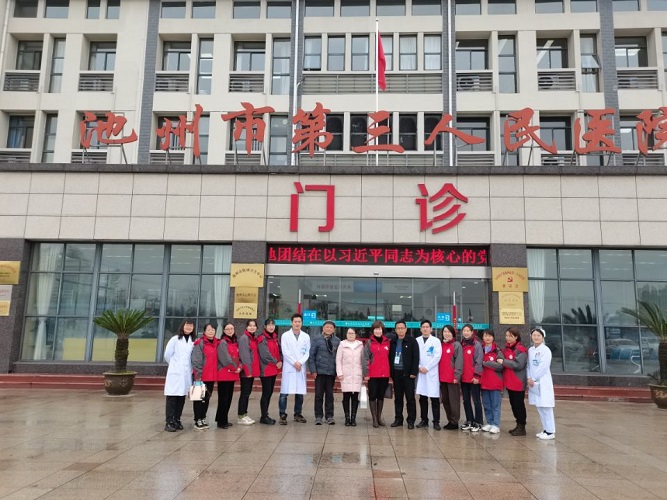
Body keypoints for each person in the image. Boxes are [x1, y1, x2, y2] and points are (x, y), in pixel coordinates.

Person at [164, 319, 195, 432]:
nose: (189, 327)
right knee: (172, 397)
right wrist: (175, 365)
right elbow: (167, 355)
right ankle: (169, 421)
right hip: (175, 372)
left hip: (186, 373)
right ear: (182, 326)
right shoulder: (175, 339)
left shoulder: (192, 341)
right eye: (187, 325)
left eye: (191, 326)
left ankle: (177, 419)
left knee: (181, 397)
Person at [279, 313, 310, 425]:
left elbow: (307, 352)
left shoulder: (306, 336)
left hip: (300, 367)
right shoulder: (285, 336)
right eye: (295, 322)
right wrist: (294, 362)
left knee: (299, 392)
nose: (297, 324)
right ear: (291, 323)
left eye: (299, 322)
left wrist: (300, 362)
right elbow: (285, 351)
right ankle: (282, 414)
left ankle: (298, 413)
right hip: (289, 367)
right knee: (284, 393)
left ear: (302, 323)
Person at [309, 320, 341, 425]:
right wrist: (313, 370)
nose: (329, 329)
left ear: (334, 330)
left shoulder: (337, 341)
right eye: (327, 327)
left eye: (331, 328)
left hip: (331, 372)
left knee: (329, 395)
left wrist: (338, 371)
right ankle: (318, 416)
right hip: (319, 372)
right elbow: (311, 356)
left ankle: (329, 416)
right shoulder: (317, 339)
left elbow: (339, 357)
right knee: (318, 395)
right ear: (323, 328)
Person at [389, 320, 419, 429]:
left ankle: (411, 421)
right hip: (396, 373)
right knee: (398, 398)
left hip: (408, 374)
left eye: (402, 328)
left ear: (406, 329)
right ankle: (398, 419)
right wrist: (391, 373)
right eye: (398, 328)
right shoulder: (393, 341)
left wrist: (414, 372)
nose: (400, 330)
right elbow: (389, 357)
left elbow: (416, 357)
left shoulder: (412, 341)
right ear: (395, 330)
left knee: (410, 398)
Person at [499, 327, 528, 436]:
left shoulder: (521, 349)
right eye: (507, 335)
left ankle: (522, 426)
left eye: (510, 336)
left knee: (519, 404)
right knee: (513, 404)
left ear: (516, 337)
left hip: (518, 382)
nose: (508, 338)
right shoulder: (506, 348)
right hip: (509, 381)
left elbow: (518, 365)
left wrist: (504, 362)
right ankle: (518, 424)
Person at [527, 327, 556, 440]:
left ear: (543, 337)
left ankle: (550, 431)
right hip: (533, 382)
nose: (536, 337)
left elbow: (543, 367)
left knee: (546, 407)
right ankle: (545, 429)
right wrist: (529, 378)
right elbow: (528, 366)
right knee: (539, 406)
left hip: (543, 381)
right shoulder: (531, 350)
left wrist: (534, 378)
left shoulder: (546, 350)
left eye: (538, 335)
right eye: (534, 335)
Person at [191, 323, 220, 430]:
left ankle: (203, 417)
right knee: (198, 398)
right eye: (208, 330)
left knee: (206, 398)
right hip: (201, 376)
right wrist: (198, 375)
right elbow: (196, 360)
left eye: (213, 329)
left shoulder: (217, 343)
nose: (211, 331)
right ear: (204, 332)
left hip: (211, 376)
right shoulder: (200, 343)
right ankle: (197, 420)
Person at [415, 320, 443, 430]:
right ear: (420, 329)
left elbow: (437, 356)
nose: (425, 329)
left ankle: (436, 421)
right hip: (421, 372)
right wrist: (419, 367)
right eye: (423, 327)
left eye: (427, 327)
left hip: (431, 372)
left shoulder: (436, 341)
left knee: (434, 399)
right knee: (422, 398)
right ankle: (424, 420)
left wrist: (427, 367)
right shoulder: (417, 340)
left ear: (431, 329)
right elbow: (414, 356)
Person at [363, 320, 391, 428]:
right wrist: (366, 373)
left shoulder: (387, 342)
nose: (378, 331)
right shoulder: (369, 343)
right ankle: (374, 418)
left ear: (382, 330)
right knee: (372, 396)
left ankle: (379, 417)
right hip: (373, 374)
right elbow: (365, 358)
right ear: (373, 330)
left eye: (379, 329)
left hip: (384, 374)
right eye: (376, 329)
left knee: (381, 396)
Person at [336, 328, 366, 426]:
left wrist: (364, 373)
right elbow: (338, 360)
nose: (350, 335)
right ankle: (347, 418)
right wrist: (339, 373)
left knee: (355, 397)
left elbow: (363, 360)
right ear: (346, 334)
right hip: (346, 374)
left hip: (357, 374)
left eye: (352, 333)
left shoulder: (360, 345)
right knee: (346, 396)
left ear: (356, 334)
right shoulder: (342, 344)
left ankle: (353, 418)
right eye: (349, 333)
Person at [216, 322, 242, 429]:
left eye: (232, 328)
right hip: (224, 374)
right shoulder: (222, 342)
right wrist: (235, 368)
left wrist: (240, 366)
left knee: (229, 398)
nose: (230, 330)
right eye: (228, 329)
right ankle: (221, 421)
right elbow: (225, 359)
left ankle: (224, 419)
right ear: (224, 331)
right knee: (223, 398)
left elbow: (239, 357)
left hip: (232, 374)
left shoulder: (235, 342)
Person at [257, 318, 281, 425]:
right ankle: (264, 417)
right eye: (269, 325)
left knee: (270, 392)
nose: (271, 327)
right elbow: (265, 355)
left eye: (273, 325)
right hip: (266, 369)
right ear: (265, 327)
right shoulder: (262, 338)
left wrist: (280, 361)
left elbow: (279, 351)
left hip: (274, 369)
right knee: (266, 393)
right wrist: (276, 362)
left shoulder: (275, 338)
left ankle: (265, 414)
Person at [460, 324, 484, 432]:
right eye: (464, 330)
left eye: (468, 331)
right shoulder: (461, 344)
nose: (466, 332)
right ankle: (469, 420)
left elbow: (479, 361)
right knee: (465, 400)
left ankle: (478, 422)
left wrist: (477, 375)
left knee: (476, 400)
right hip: (464, 377)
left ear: (472, 332)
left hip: (473, 378)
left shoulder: (477, 344)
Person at [439, 325, 463, 430]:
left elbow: (459, 362)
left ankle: (454, 421)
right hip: (442, 378)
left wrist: (456, 376)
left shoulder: (456, 345)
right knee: (445, 400)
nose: (447, 333)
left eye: (449, 332)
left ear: (453, 333)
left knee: (454, 401)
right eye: (445, 331)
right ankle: (450, 420)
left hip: (452, 378)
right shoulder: (441, 345)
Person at [480, 330, 504, 434]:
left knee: (495, 405)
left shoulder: (498, 351)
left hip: (495, 381)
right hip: (484, 381)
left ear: (493, 337)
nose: (487, 338)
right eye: (485, 336)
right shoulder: (480, 349)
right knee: (486, 404)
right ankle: (489, 422)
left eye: (490, 336)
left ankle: (496, 424)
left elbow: (501, 366)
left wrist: (486, 363)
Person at [237, 319, 260, 425]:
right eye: (250, 325)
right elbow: (244, 355)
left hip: (251, 371)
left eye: (254, 326)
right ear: (246, 327)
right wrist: (248, 371)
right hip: (247, 371)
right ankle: (241, 416)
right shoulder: (244, 338)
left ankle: (244, 414)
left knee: (247, 393)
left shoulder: (253, 338)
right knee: (245, 393)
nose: (252, 327)